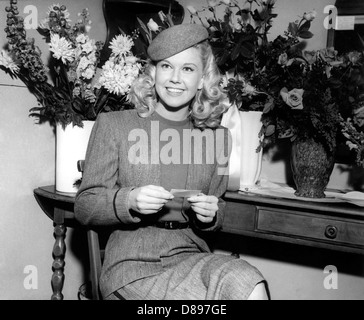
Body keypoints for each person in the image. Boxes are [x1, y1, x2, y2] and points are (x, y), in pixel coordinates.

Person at [74, 23, 268, 300]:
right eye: (167, 66)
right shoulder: (114, 125)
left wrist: (210, 214)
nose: (175, 78)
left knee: (249, 283)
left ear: (202, 79)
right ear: (153, 74)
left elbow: (219, 206)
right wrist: (128, 200)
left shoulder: (219, 139)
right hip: (130, 264)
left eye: (187, 69)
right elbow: (85, 205)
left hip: (192, 255)